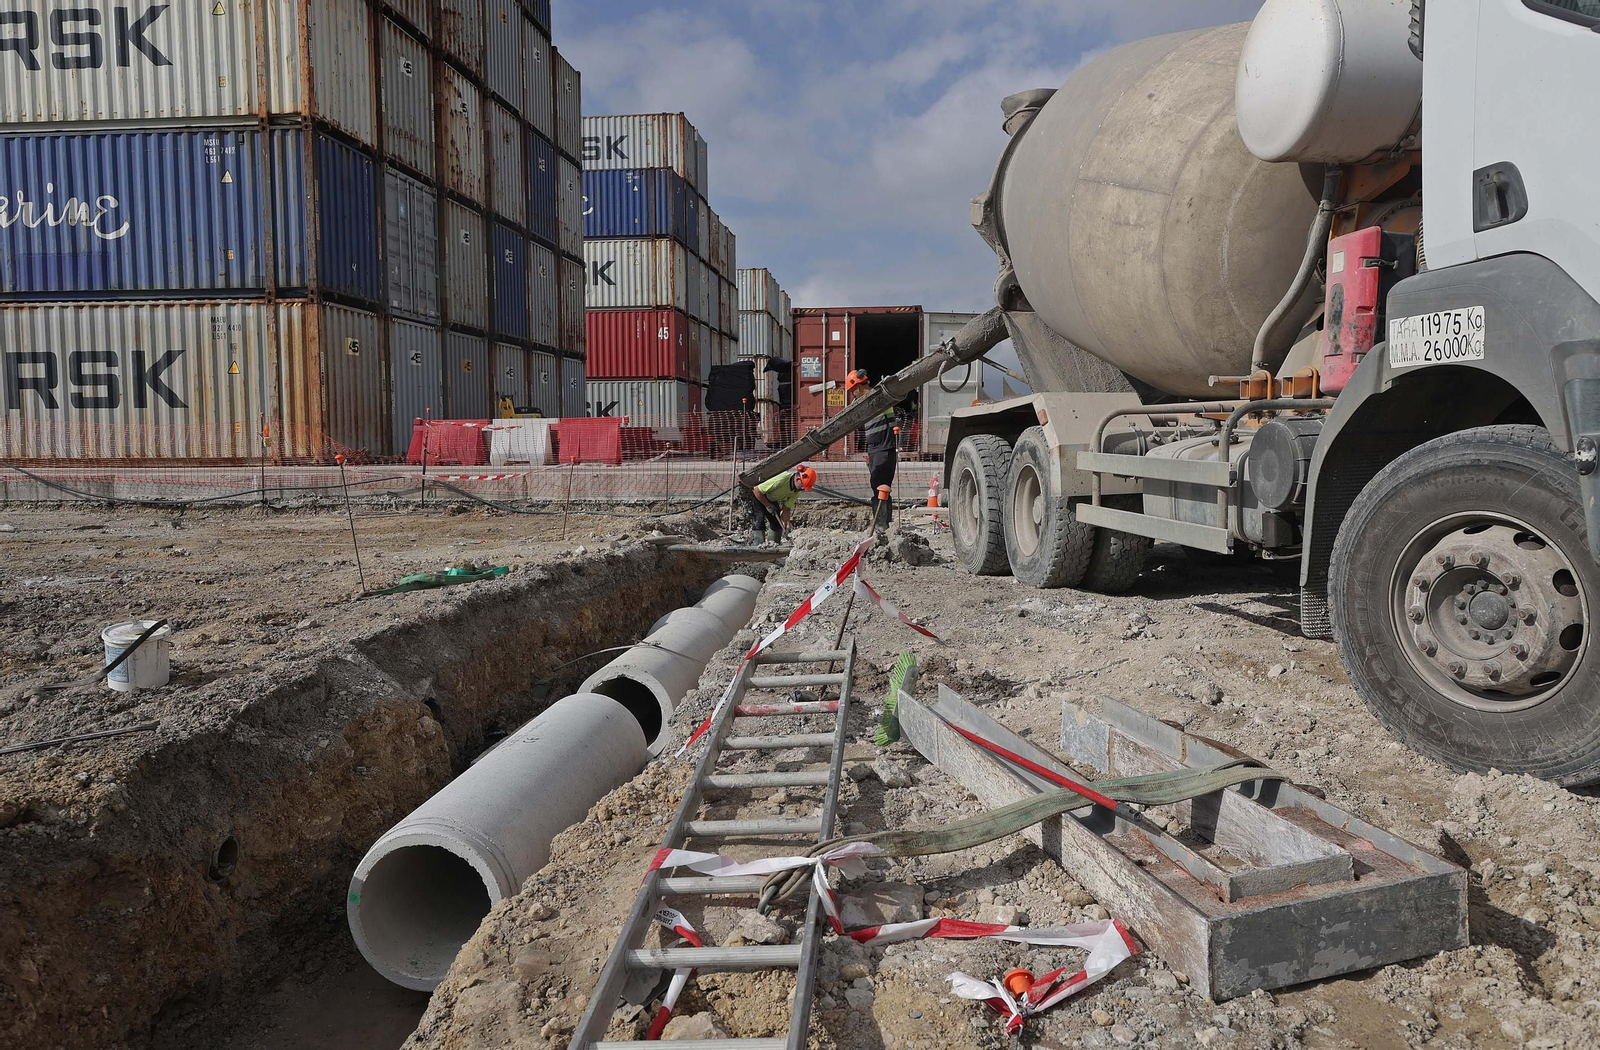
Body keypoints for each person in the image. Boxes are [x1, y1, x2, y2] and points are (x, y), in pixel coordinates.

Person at [846, 369, 899, 534]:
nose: (853, 395)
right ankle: (884, 524)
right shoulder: (869, 402)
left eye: (852, 391)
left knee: (879, 487)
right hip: (878, 450)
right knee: (881, 487)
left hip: (883, 449)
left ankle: (881, 525)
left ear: (858, 387)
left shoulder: (876, 399)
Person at [747, 465, 816, 545]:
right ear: (797, 479)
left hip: (771, 498)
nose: (802, 490)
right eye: (803, 487)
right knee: (759, 521)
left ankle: (773, 546)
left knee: (777, 524)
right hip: (758, 495)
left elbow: (786, 509)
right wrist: (768, 505)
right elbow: (756, 490)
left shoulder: (795, 492)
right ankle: (758, 546)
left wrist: (786, 526)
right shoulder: (781, 479)